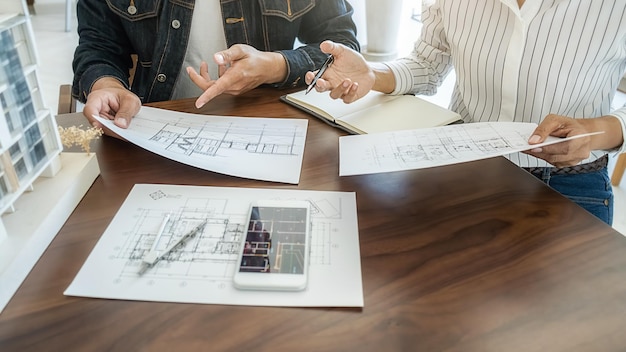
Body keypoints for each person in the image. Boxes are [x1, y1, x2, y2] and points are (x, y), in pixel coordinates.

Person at [306, 0, 626, 225]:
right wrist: (373, 75)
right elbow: (428, 64)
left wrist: (600, 129)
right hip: (466, 168)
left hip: (570, 183)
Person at [72, 0, 359, 134]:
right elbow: (99, 45)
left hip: (269, 132)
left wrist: (276, 65)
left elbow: (342, 43)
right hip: (156, 130)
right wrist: (107, 85)